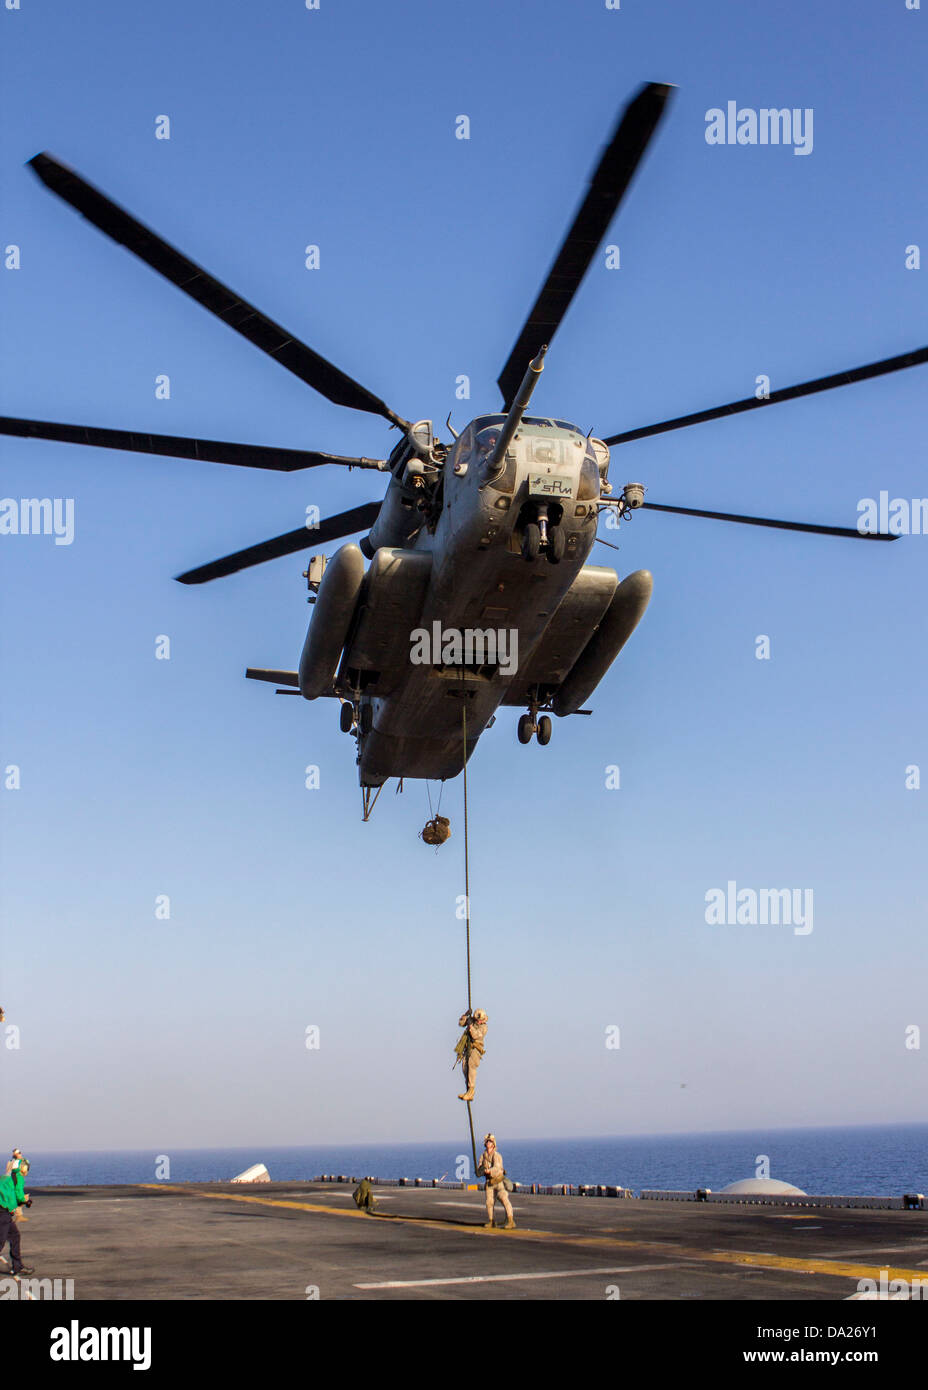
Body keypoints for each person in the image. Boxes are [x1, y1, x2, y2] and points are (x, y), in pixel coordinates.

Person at [0, 1157, 34, 1277]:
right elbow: (19, 1196)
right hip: (2, 1212)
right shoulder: (18, 1177)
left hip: (5, 1212)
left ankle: (17, 1266)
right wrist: (27, 1201)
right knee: (1, 1241)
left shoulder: (7, 1176)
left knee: (14, 1236)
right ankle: (17, 1267)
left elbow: (10, 1196)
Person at [477, 1134, 515, 1229]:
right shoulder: (483, 1156)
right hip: (489, 1182)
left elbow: (497, 1168)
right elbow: (480, 1166)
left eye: (490, 1141)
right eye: (487, 1141)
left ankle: (510, 1220)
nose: (488, 1143)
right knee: (489, 1202)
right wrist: (480, 1171)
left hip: (498, 1181)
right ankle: (491, 1221)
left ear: (493, 1144)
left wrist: (489, 1171)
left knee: (504, 1198)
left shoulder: (496, 1155)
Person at [456, 1008, 488, 1101]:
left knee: (471, 1066)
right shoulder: (473, 1022)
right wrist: (465, 1015)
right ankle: (468, 1090)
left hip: (475, 1049)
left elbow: (476, 1035)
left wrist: (470, 1026)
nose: (478, 1022)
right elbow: (461, 1023)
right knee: (464, 1067)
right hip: (468, 1048)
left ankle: (471, 1090)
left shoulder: (484, 1027)